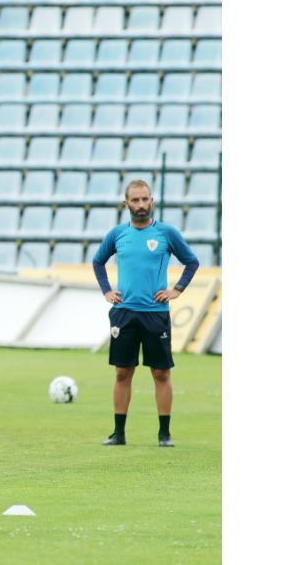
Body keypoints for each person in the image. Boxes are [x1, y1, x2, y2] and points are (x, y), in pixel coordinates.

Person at [93, 180, 199, 447]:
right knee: (122, 373)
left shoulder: (166, 233)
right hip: (124, 313)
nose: (141, 205)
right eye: (135, 200)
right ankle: (118, 433)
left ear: (151, 200)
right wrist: (107, 291)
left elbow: (191, 261)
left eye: (144, 199)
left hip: (155, 314)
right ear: (126, 203)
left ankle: (164, 434)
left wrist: (176, 290)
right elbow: (98, 261)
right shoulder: (118, 234)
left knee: (161, 373)